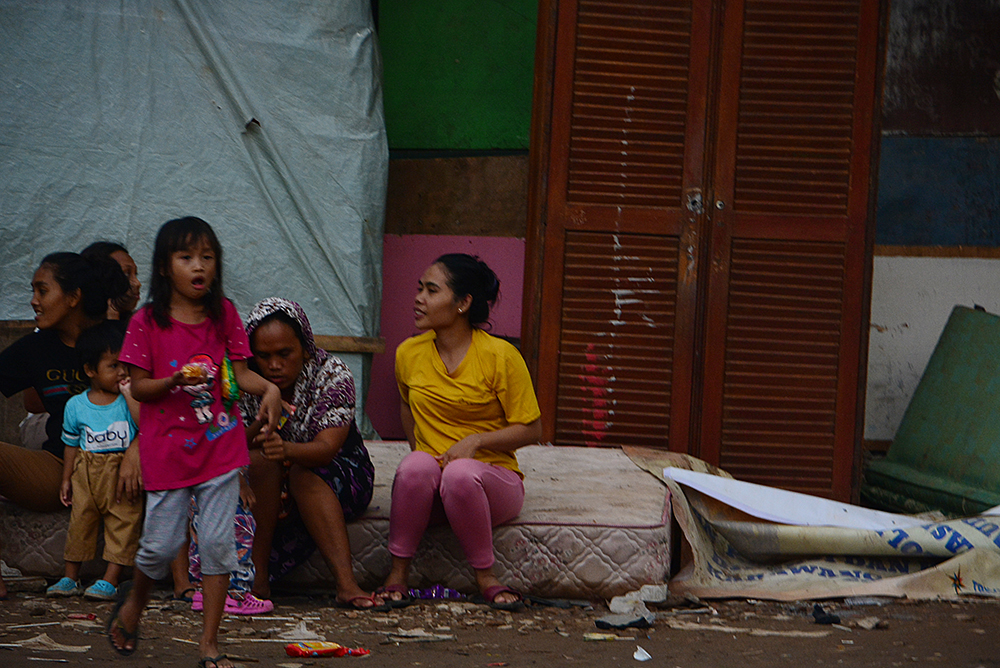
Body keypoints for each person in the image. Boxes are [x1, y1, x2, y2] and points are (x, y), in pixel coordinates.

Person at [106, 217, 281, 668]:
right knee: (160, 548)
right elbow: (140, 388)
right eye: (186, 258)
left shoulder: (224, 314)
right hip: (166, 449)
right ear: (165, 267)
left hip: (220, 445)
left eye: (207, 257)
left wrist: (271, 390)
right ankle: (134, 604)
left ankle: (209, 646)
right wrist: (175, 379)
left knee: (220, 545)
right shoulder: (147, 322)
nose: (198, 266)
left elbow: (241, 376)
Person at [377, 254, 542, 611]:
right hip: (434, 491)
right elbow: (408, 407)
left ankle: (486, 577)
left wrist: (477, 441)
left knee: (460, 473)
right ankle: (397, 574)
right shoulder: (408, 353)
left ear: (464, 303)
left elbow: (532, 428)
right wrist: (420, 454)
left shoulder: (501, 356)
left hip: (490, 483)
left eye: (432, 290)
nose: (419, 298)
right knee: (415, 466)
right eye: (419, 288)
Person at [0, 252, 134, 601]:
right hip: (62, 466)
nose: (34, 301)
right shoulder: (35, 347)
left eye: (42, 290)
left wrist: (136, 452)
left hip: (124, 467)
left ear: (73, 297)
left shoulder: (125, 340)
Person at [240, 298, 379, 610]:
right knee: (260, 462)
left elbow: (327, 450)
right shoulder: (245, 381)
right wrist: (262, 421)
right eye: (264, 356)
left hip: (338, 472)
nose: (274, 365)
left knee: (303, 474)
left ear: (305, 348)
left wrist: (286, 449)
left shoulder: (332, 375)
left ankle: (346, 584)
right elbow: (231, 443)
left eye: (284, 354)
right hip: (270, 479)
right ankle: (257, 580)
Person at [47, 321, 142, 601]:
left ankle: (110, 580)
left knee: (124, 524)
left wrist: (128, 393)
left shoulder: (130, 401)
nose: (122, 371)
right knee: (80, 523)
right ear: (90, 370)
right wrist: (66, 479)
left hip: (121, 474)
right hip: (86, 472)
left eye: (125, 363)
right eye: (113, 366)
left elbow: (145, 426)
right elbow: (71, 445)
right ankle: (70, 577)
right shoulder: (76, 406)